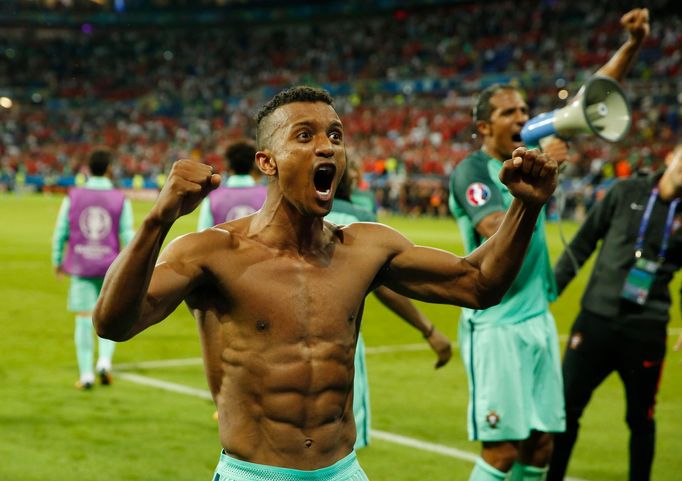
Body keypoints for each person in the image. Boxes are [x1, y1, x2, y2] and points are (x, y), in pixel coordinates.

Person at [93, 86, 557, 481]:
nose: (328, 147)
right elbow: (113, 322)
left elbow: (478, 285)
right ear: (267, 162)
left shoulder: (366, 247)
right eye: (305, 135)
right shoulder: (212, 253)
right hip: (255, 474)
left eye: (335, 135)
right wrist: (158, 220)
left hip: (344, 471)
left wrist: (526, 207)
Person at [447, 8, 649, 481]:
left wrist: (633, 44)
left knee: (540, 448)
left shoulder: (535, 143)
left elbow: (594, 94)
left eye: (522, 109)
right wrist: (536, 187)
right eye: (507, 113)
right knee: (501, 451)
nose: (521, 117)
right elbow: (494, 231)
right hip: (495, 322)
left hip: (536, 318)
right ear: (483, 129)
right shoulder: (472, 172)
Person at [548, 143, 682, 481]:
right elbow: (583, 241)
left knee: (641, 419)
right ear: (670, 156)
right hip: (596, 319)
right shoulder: (625, 191)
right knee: (564, 411)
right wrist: (548, 292)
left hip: (646, 329)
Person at [326, 158, 453, 450]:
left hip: (278, 348)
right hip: (343, 346)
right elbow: (384, 286)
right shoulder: (361, 219)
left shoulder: (285, 217)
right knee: (338, 453)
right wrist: (428, 329)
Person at [52, 147, 134, 390]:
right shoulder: (120, 198)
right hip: (110, 266)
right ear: (109, 169)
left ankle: (86, 374)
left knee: (83, 319)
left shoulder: (73, 196)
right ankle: (105, 362)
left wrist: (57, 260)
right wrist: (132, 267)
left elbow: (60, 232)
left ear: (88, 168)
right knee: (110, 317)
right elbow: (128, 234)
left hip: (81, 264)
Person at [197, 139, 267, 230]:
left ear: (228, 164)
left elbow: (203, 237)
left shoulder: (213, 198)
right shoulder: (268, 196)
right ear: (254, 164)